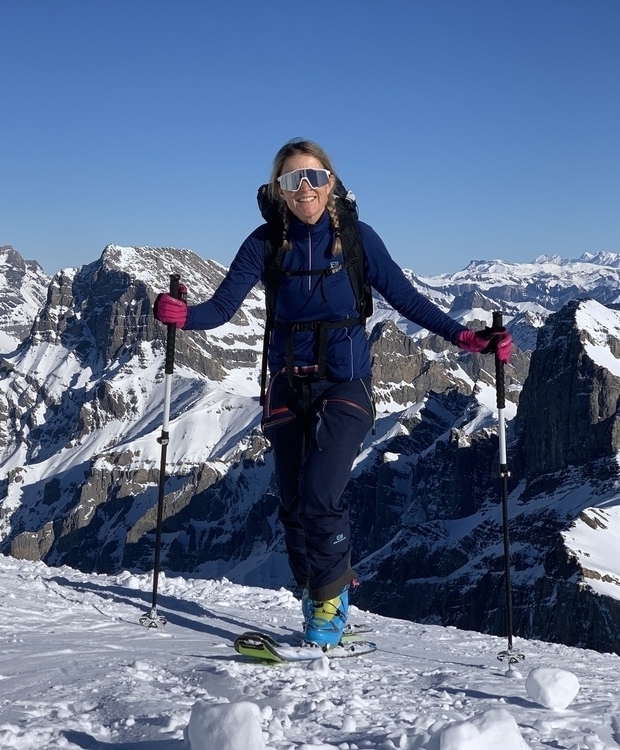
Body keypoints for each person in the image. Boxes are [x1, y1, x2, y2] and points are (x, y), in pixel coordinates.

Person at [152, 138, 512, 649]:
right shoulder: (263, 243)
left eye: (314, 178)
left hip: (346, 383)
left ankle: (326, 607)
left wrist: (465, 337)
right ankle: (322, 587)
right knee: (295, 505)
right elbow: (223, 308)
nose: (305, 189)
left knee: (322, 495)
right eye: (292, 180)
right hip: (285, 386)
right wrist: (184, 317)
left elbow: (406, 299)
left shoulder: (357, 240)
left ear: (332, 183)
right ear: (277, 191)